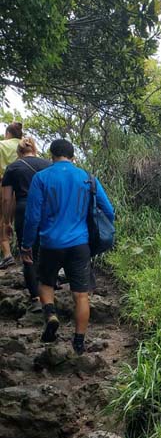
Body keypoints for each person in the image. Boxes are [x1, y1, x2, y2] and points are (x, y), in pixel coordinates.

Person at [21, 139, 114, 355]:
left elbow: (32, 216)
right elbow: (108, 210)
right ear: (72, 156)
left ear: (51, 155)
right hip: (80, 244)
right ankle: (79, 342)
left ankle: (51, 315)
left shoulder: (41, 178)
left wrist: (26, 245)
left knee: (46, 283)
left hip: (50, 243)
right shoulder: (87, 178)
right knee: (81, 295)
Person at [2, 137, 51, 303]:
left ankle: (35, 295)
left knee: (27, 250)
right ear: (34, 149)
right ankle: (49, 290)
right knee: (46, 248)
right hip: (45, 209)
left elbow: (7, 199)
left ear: (18, 152)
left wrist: (7, 221)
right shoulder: (47, 165)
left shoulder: (12, 168)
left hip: (23, 209)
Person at [0, 121, 23, 268]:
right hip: (21, 188)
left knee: (2, 220)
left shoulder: (1, 145)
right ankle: (25, 254)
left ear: (8, 133)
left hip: (2, 184)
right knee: (20, 220)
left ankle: (7, 254)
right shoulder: (25, 145)